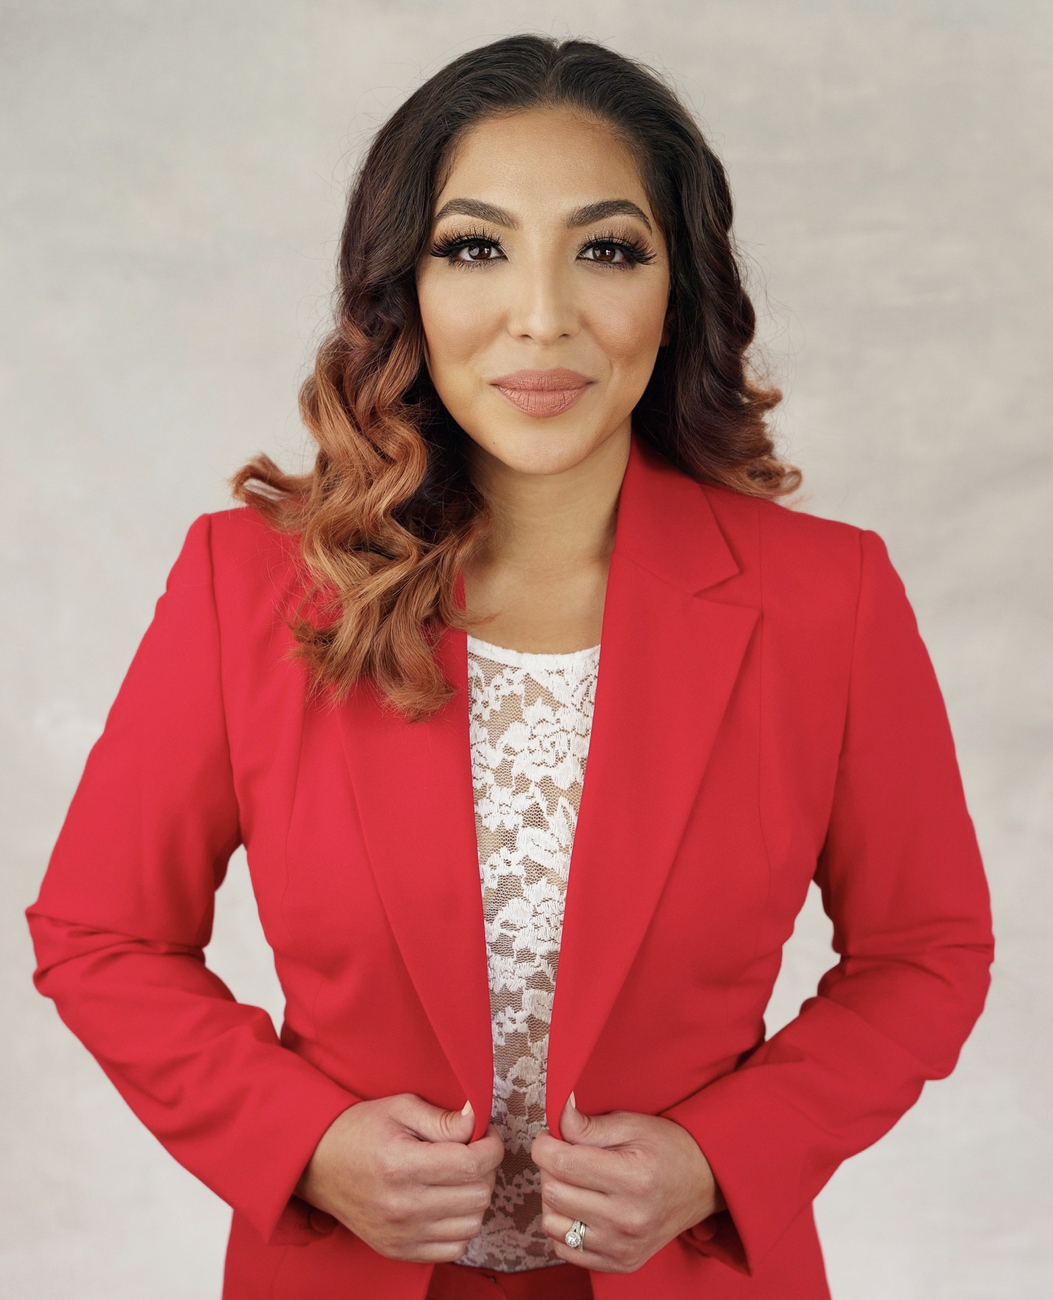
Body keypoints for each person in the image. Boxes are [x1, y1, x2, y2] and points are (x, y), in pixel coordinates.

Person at [27, 34, 994, 1300]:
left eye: (609, 250)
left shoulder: (828, 600)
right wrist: (305, 1144)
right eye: (476, 248)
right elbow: (102, 934)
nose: (543, 314)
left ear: (680, 287)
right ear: (403, 286)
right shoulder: (248, 585)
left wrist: (720, 1157)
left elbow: (925, 953)